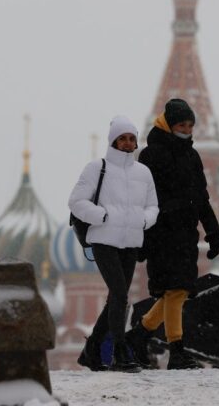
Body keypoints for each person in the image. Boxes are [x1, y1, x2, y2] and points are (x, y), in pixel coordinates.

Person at [127, 98, 219, 370]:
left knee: (177, 292)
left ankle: (139, 335)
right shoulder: (151, 154)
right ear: (169, 124)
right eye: (181, 124)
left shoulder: (191, 155)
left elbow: (201, 198)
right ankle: (177, 351)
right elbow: (146, 198)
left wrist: (213, 232)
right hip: (162, 233)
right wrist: (168, 212)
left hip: (185, 234)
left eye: (190, 125)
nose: (186, 129)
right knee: (175, 289)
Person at [69, 115, 159, 372]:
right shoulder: (96, 168)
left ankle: (92, 350)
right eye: (122, 138)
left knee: (115, 300)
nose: (128, 143)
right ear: (113, 141)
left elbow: (153, 205)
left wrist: (145, 220)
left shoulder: (143, 172)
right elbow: (76, 201)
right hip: (104, 240)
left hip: (131, 241)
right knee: (120, 295)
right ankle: (120, 352)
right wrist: (102, 216)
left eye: (132, 138)